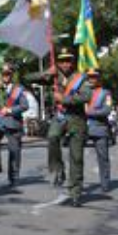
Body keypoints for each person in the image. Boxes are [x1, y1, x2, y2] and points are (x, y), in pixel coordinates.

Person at [25, 47, 92, 207]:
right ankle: (58, 169)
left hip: (76, 119)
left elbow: (87, 96)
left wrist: (64, 98)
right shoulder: (54, 76)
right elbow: (27, 78)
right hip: (60, 117)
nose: (65, 64)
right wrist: (46, 72)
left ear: (72, 62)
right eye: (61, 61)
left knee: (76, 157)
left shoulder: (80, 78)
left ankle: (75, 191)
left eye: (68, 60)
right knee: (52, 137)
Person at [0, 63, 30, 187]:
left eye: (8, 74)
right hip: (1, 121)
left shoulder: (19, 88)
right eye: (3, 74)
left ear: (12, 75)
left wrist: (11, 110)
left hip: (13, 122)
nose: (5, 76)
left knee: (14, 150)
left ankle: (14, 175)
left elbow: (25, 106)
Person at [85, 68, 113, 192]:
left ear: (98, 78)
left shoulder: (105, 93)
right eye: (89, 77)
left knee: (103, 157)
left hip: (99, 128)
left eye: (94, 77)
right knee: (76, 157)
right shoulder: (83, 92)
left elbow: (106, 110)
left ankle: (105, 183)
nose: (91, 79)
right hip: (83, 128)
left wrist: (89, 112)